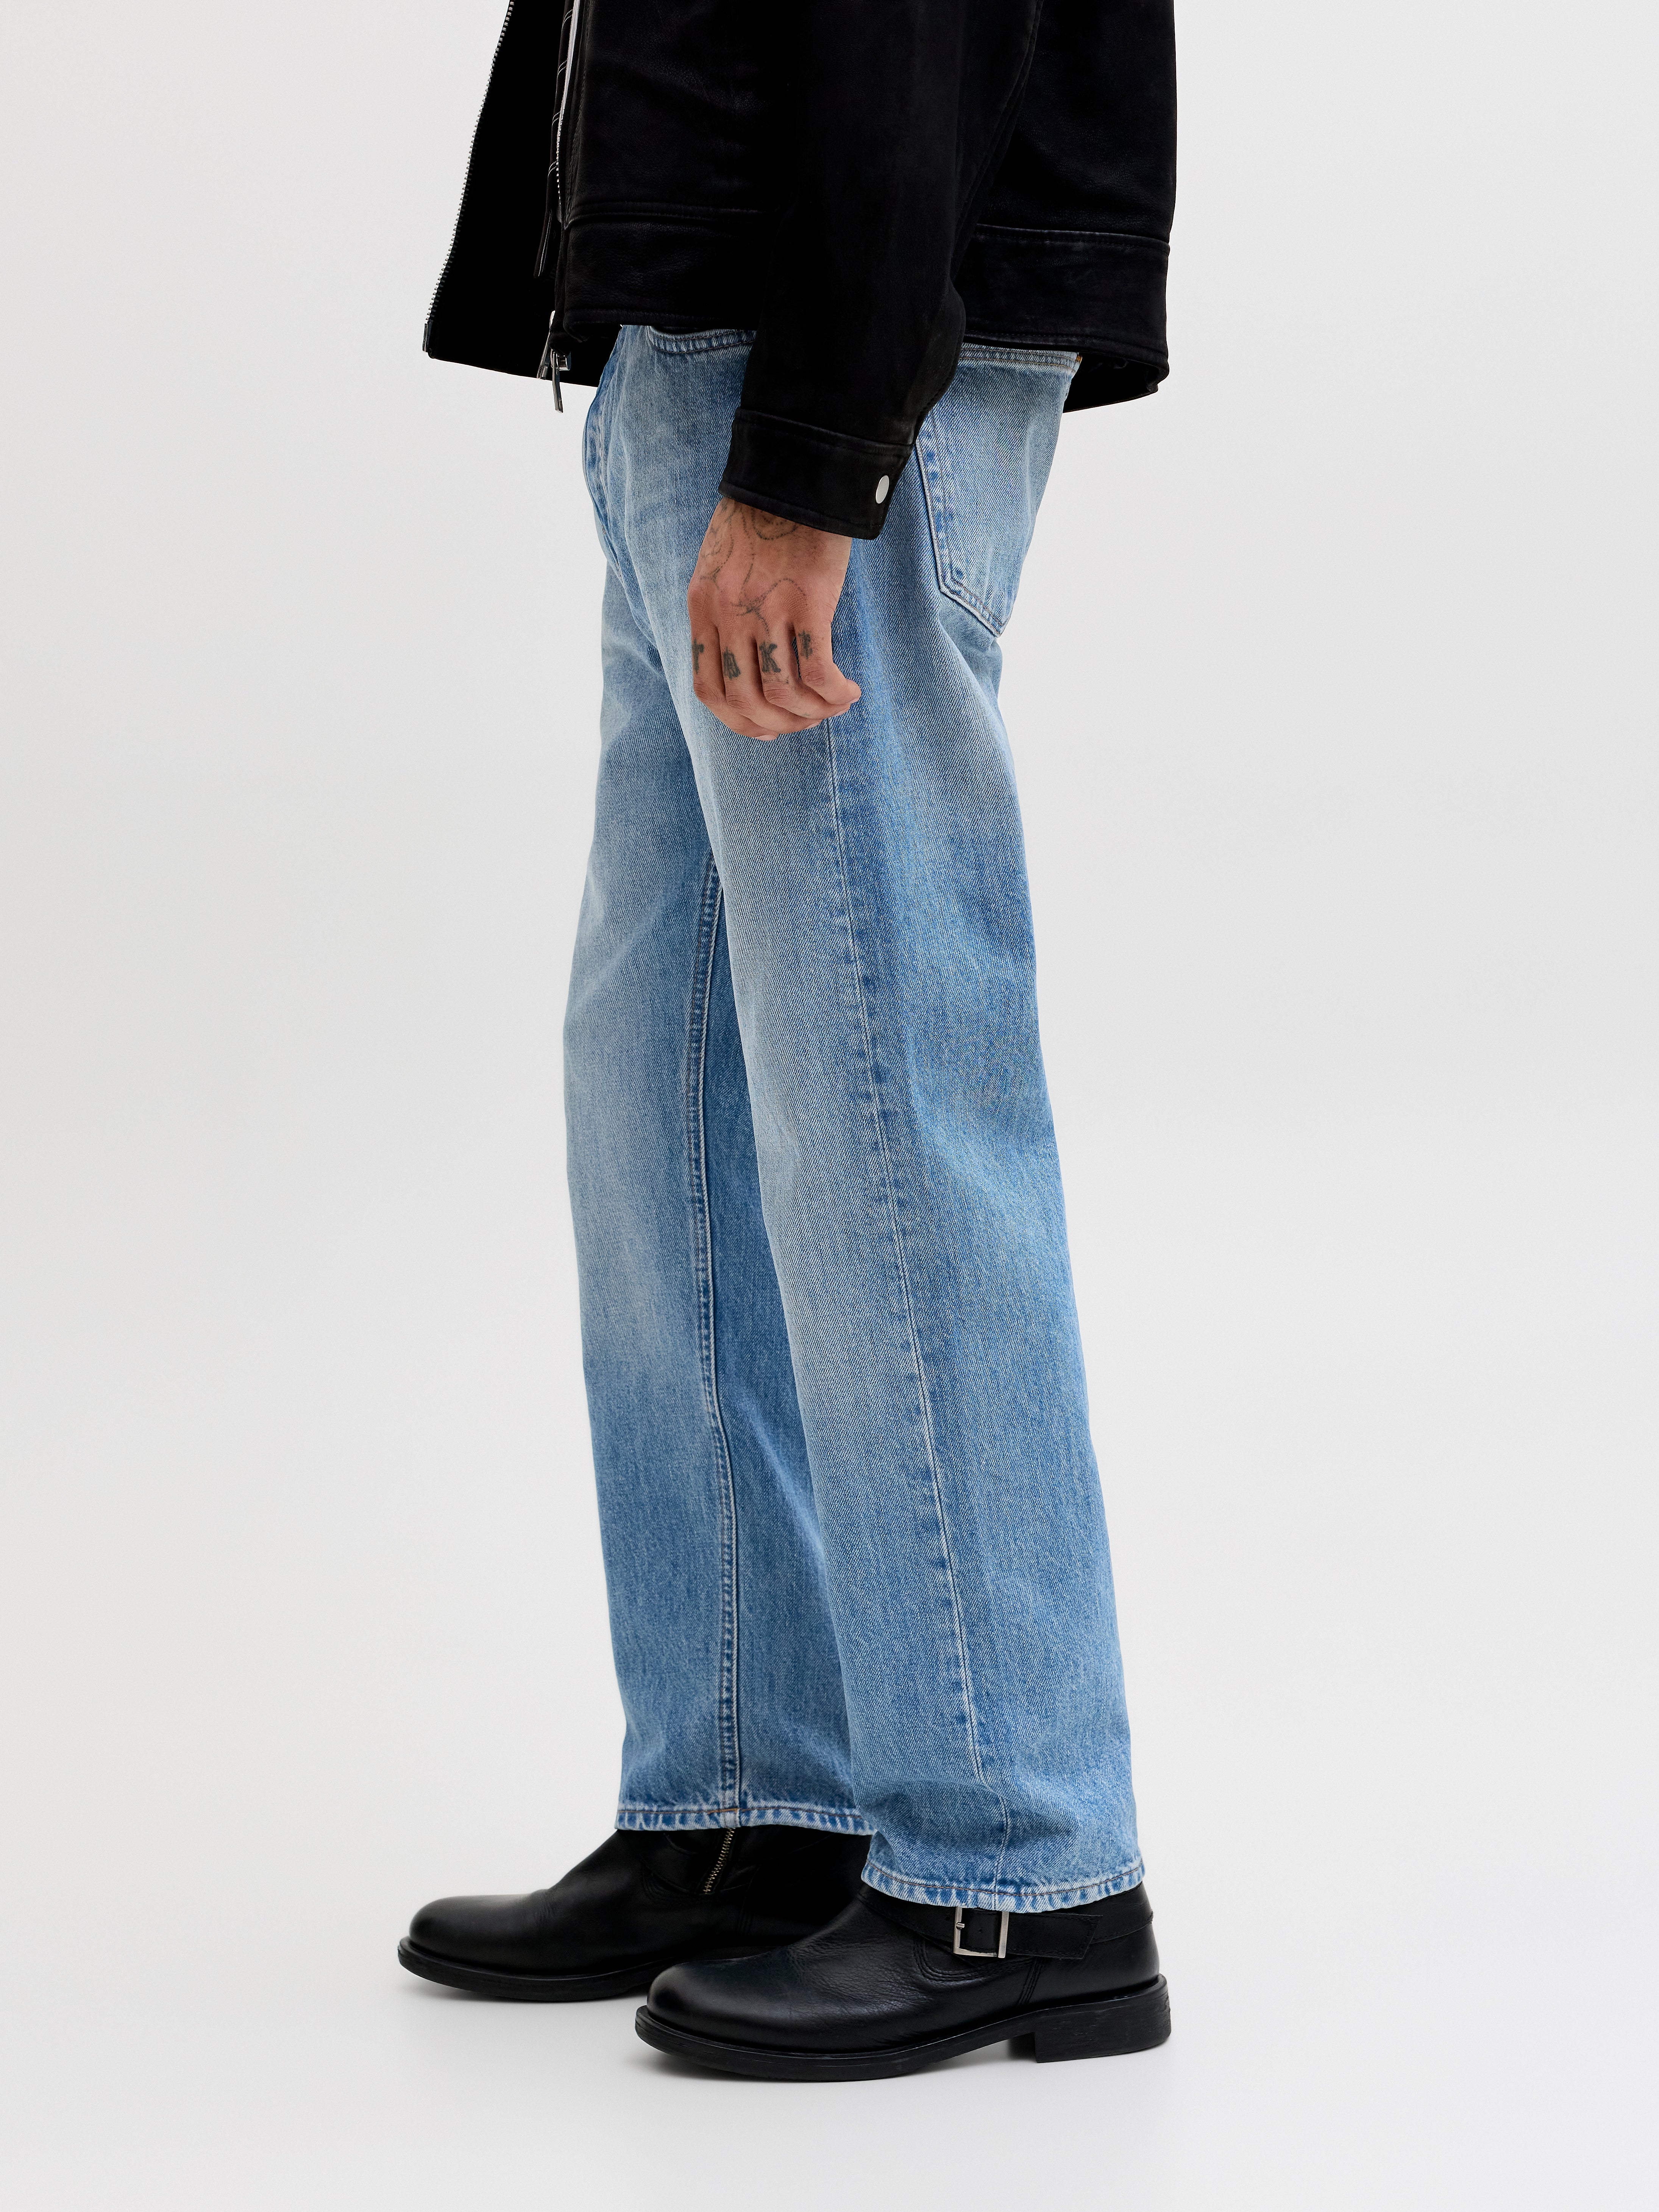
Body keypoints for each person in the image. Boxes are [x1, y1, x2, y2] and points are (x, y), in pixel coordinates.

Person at [400, 0, 1177, 2082]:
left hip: (818, 340)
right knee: (664, 1091)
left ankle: (1021, 1862)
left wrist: (823, 437)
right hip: (702, 333)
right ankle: (755, 1796)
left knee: (880, 1081)